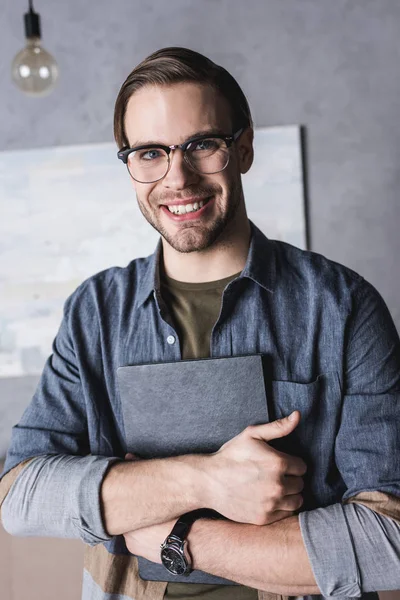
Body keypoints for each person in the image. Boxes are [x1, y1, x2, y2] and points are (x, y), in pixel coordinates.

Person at [1, 46, 400, 600]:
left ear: (244, 147)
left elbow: (390, 537)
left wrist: (171, 535)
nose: (178, 178)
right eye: (149, 153)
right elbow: (20, 497)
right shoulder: (95, 311)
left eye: (201, 145)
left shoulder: (344, 307)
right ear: (130, 164)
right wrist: (205, 479)